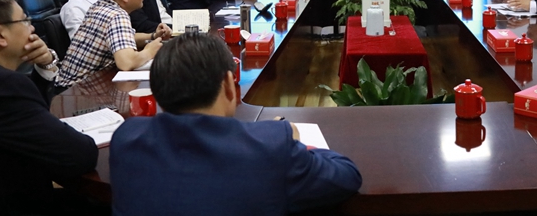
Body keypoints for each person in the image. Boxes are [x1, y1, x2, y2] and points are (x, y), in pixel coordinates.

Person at [110, 33, 362, 216]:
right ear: (228, 85)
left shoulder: (126, 138)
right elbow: (346, 176)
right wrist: (295, 141)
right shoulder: (271, 145)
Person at [0, 0, 100, 215]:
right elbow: (79, 156)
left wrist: (44, 67)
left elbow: (26, 114)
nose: (32, 28)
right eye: (24, 21)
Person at [56, 0, 169, 88]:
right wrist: (149, 51)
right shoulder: (116, 15)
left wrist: (152, 36)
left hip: (69, 86)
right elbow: (126, 63)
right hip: (77, 90)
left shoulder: (99, 6)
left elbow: (122, 39)